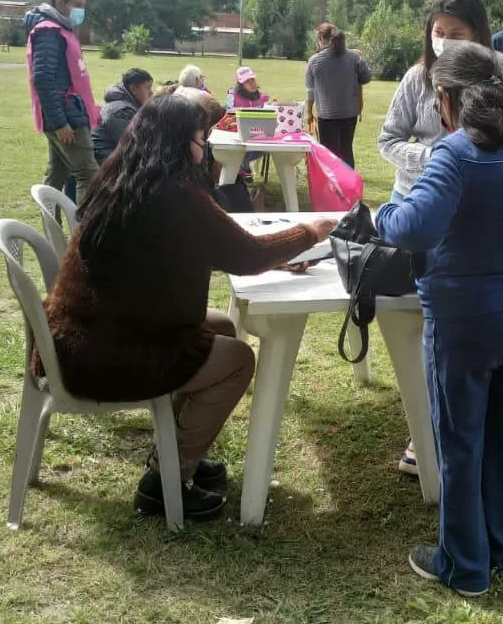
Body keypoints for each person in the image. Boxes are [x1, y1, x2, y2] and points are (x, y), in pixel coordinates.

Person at [45, 94, 339, 522]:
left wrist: (279, 254)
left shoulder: (125, 179)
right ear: (182, 142)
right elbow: (247, 256)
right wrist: (310, 231)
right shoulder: (175, 195)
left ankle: (175, 447)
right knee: (237, 360)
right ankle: (163, 485)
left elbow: (194, 248)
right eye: (202, 138)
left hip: (87, 334)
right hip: (103, 353)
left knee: (221, 327)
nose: (205, 148)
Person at [377, 42, 503, 597]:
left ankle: (463, 564)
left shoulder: (456, 152)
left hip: (465, 320)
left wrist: (383, 211)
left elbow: (414, 228)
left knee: (460, 440)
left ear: (445, 99)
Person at [378, 0, 503, 475]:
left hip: (487, 217)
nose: (445, 43)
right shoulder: (417, 79)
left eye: (457, 35)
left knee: (477, 334)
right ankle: (429, 431)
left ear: (480, 34)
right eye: (439, 34)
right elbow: (388, 139)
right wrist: (428, 158)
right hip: (427, 209)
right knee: (431, 328)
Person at [25, 0, 100, 203]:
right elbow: (43, 78)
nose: (81, 11)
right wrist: (60, 122)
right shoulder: (48, 32)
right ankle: (84, 233)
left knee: (57, 176)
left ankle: (52, 231)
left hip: (71, 111)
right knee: (89, 175)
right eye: (76, 4)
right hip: (66, 116)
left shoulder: (61, 29)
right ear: (59, 2)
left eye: (83, 5)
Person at [305, 25, 372, 167]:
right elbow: (366, 77)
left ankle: (331, 186)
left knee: (329, 154)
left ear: (321, 39)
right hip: (349, 113)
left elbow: (310, 92)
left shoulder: (314, 61)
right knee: (346, 150)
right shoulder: (354, 57)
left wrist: (309, 112)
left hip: (326, 115)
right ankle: (348, 185)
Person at [91, 68, 155, 163]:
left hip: (114, 153)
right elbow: (129, 144)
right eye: (148, 88)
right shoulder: (121, 111)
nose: (151, 92)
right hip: (105, 156)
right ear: (133, 89)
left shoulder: (130, 106)